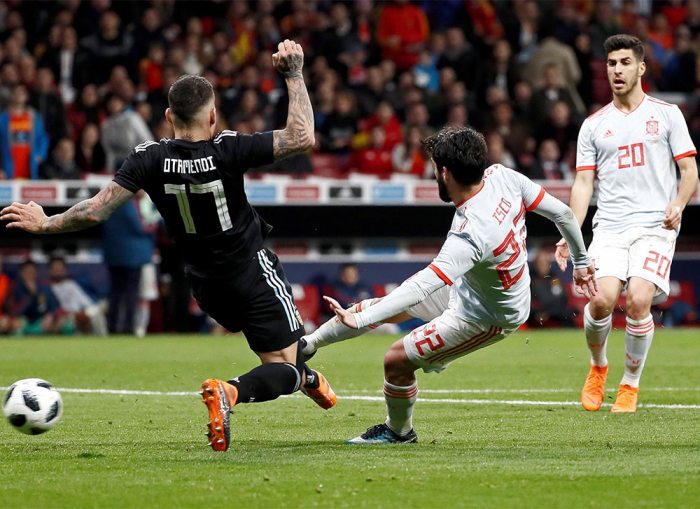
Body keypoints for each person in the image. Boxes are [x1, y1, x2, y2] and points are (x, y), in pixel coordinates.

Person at [1, 40, 336, 453]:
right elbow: (302, 137)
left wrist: (46, 222)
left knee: (290, 359)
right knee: (286, 367)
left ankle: (309, 379)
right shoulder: (228, 148)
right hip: (250, 271)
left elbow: (96, 210)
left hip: (206, 284)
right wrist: (294, 74)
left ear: (168, 116)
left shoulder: (148, 157)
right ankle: (231, 392)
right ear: (212, 116)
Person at [306, 125, 596, 444]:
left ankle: (399, 432)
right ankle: (308, 344)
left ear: (444, 173)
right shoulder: (503, 177)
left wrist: (362, 320)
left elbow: (422, 286)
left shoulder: (471, 234)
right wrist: (581, 262)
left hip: (487, 316)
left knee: (396, 359)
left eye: (433, 168)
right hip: (473, 286)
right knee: (377, 308)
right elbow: (564, 214)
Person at [554, 34, 699, 414]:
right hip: (610, 227)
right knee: (601, 300)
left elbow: (689, 171)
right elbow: (583, 183)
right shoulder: (594, 125)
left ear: (641, 67)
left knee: (637, 300)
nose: (617, 70)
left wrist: (679, 203)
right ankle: (598, 366)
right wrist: (570, 233)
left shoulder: (667, 115)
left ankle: (630, 384)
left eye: (624, 62)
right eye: (611, 64)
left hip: (655, 226)